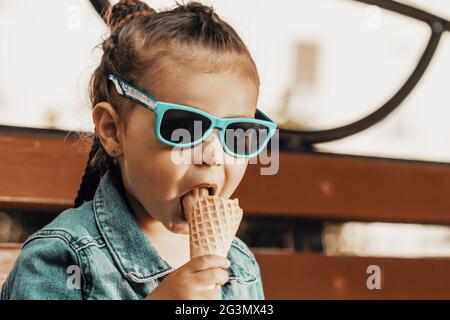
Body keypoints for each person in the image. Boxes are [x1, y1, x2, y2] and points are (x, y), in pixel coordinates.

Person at [1, 0, 276, 300]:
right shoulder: (61, 259)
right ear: (112, 131)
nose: (213, 155)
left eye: (239, 134)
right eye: (184, 127)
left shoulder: (240, 266)